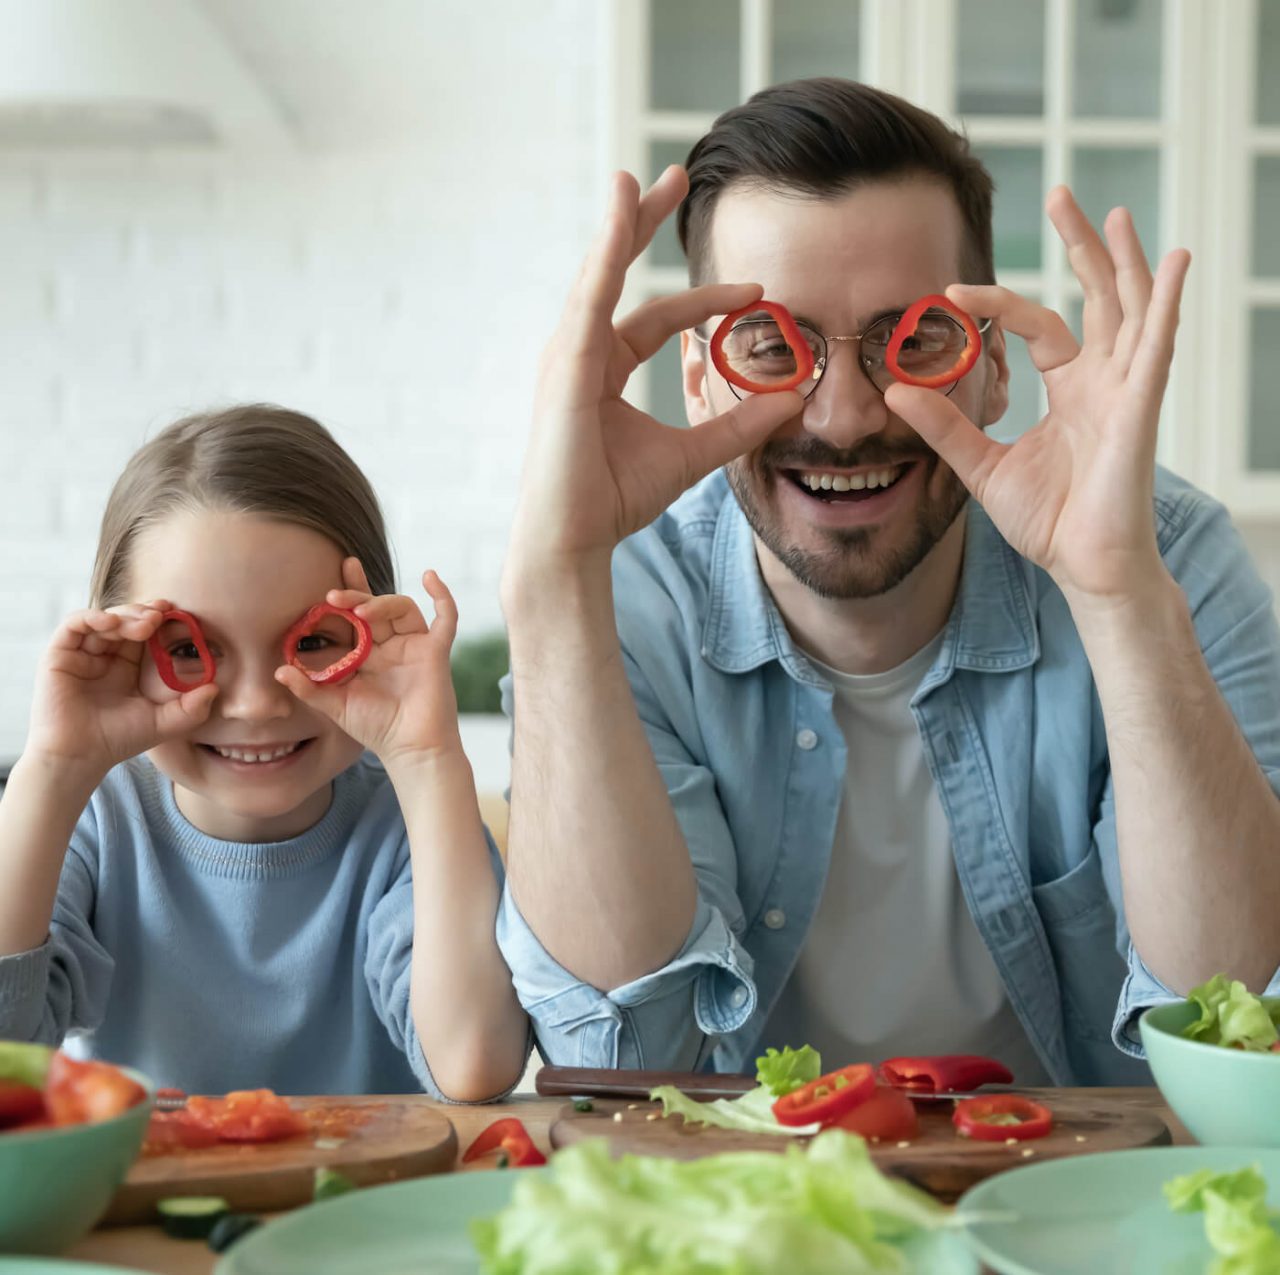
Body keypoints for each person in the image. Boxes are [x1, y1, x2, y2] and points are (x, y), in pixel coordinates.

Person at [495, 78, 1280, 1086]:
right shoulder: (623, 600)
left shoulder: (1157, 560)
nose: (844, 415)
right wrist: (553, 579)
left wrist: (1117, 598)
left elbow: (1233, 1035)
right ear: (698, 377)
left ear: (992, 368)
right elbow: (618, 1055)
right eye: (773, 346)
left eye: (913, 339)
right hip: (749, 1215)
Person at [0, 404, 528, 1100]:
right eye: (187, 648)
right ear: (119, 648)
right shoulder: (97, 818)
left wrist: (428, 760)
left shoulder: (411, 824)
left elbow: (474, 1063)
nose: (256, 703)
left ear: (370, 631)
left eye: (312, 641)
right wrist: (52, 772)